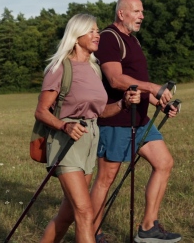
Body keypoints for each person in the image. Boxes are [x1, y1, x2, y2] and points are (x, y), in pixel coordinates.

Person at [35, 13, 141, 243]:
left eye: (97, 30)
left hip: (90, 142)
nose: (97, 35)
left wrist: (123, 103)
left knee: (69, 214)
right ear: (76, 36)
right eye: (91, 31)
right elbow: (41, 111)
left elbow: (100, 111)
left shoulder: (95, 68)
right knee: (85, 212)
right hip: (66, 143)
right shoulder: (60, 68)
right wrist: (65, 125)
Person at [90, 0, 181, 243]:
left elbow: (139, 87)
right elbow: (116, 80)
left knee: (164, 163)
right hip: (117, 119)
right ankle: (91, 233)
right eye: (137, 11)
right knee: (106, 179)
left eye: (142, 12)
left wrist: (160, 103)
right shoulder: (109, 38)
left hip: (140, 120)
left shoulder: (133, 41)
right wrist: (152, 87)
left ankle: (148, 227)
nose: (142, 16)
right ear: (122, 13)